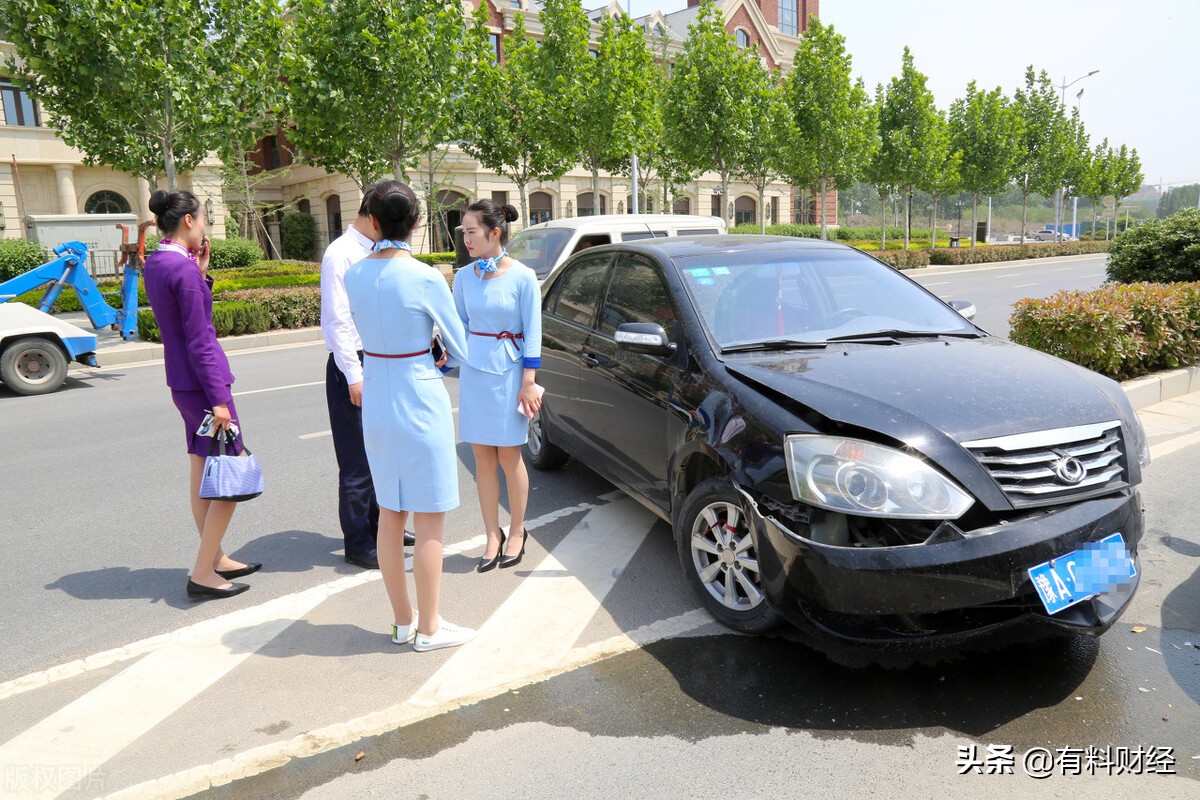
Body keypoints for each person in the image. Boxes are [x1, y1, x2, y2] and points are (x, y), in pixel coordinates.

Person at [343, 181, 475, 651]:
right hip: (419, 396)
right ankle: (431, 627)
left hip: (377, 394)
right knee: (430, 520)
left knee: (391, 517)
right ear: (417, 223)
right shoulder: (424, 277)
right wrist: (444, 355)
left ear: (373, 221)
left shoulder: (354, 274)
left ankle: (402, 622)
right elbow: (461, 349)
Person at [143, 189, 260, 600]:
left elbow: (182, 319)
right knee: (230, 475)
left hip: (182, 383)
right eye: (204, 218)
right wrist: (220, 400)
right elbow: (201, 339)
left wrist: (201, 272)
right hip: (203, 386)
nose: (205, 226)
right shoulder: (183, 271)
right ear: (189, 221)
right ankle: (202, 572)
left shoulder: (157, 263)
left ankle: (216, 557)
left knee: (200, 469)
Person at [320, 186, 415, 570]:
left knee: (385, 452)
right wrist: (354, 375)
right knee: (358, 461)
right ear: (374, 219)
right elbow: (337, 321)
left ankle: (381, 526)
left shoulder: (378, 250)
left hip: (383, 358)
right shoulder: (340, 254)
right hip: (354, 364)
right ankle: (359, 541)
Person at [453, 200, 542, 573]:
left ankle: (518, 529)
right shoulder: (462, 277)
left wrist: (528, 383)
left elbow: (533, 332)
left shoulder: (523, 277)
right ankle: (493, 534)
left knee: (509, 457)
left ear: (495, 232)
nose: (466, 238)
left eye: (472, 231)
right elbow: (456, 325)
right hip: (474, 373)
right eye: (463, 232)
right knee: (482, 460)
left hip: (510, 374)